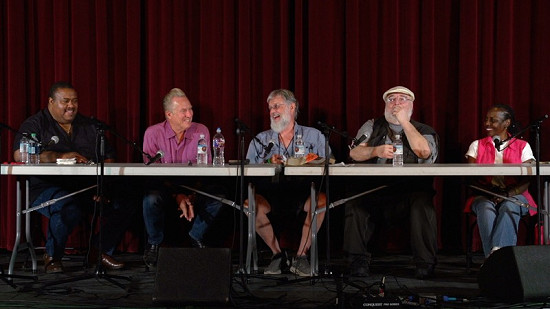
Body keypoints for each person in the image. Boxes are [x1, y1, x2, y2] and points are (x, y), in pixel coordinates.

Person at [12, 81, 136, 273]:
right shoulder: (36, 124)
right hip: (45, 189)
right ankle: (53, 256)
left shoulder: (90, 126)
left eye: (75, 101)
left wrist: (101, 186)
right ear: (51, 102)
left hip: (87, 189)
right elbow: (20, 155)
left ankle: (98, 250)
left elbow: (109, 157)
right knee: (68, 205)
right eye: (66, 101)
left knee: (127, 200)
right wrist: (59, 156)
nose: (71, 106)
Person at [343, 86, 439, 279]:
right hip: (375, 191)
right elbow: (354, 152)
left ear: (411, 105)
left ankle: (424, 263)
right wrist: (375, 151)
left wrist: (404, 122)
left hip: (409, 192)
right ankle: (357, 262)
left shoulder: (424, 130)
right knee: (354, 203)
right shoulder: (372, 125)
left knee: (422, 202)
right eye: (391, 99)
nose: (396, 103)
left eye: (402, 99)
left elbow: (424, 152)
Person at [246, 89, 327, 277]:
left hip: (304, 192)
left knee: (321, 201)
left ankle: (300, 257)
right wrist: (267, 162)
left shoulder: (313, 135)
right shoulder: (260, 139)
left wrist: (310, 160)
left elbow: (328, 163)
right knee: (249, 204)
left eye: (277, 106)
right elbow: (248, 169)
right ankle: (277, 255)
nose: (272, 111)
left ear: (292, 107)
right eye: (270, 108)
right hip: (270, 194)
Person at [142, 88, 224, 268]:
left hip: (194, 186)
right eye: (183, 111)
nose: (189, 114)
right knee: (151, 199)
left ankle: (196, 236)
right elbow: (152, 175)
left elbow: (208, 170)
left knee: (218, 196)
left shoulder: (201, 130)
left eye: (190, 109)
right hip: (164, 187)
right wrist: (177, 196)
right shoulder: (153, 133)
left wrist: (190, 195)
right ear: (169, 114)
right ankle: (154, 243)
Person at [465, 104, 536, 258]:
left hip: (515, 195)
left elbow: (527, 180)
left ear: (507, 123)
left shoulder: (523, 146)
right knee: (485, 209)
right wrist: (490, 193)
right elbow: (470, 177)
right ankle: (498, 261)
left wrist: (508, 193)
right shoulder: (476, 146)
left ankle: (496, 259)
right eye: (486, 120)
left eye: (493, 120)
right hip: (483, 195)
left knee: (510, 206)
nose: (487, 124)